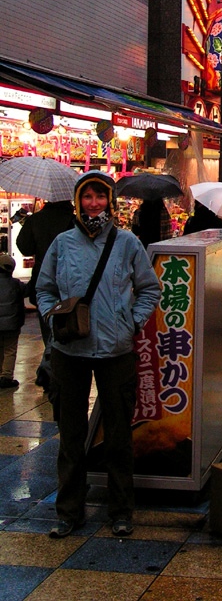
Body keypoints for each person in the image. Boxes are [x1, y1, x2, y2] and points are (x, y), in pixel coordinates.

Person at [37, 171, 160, 539]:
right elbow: (43, 289)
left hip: (115, 349)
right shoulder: (61, 243)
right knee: (71, 435)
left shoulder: (127, 243)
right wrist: (52, 315)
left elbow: (149, 289)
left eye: (100, 196)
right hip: (69, 350)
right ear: (78, 202)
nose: (94, 203)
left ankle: (121, 510)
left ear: (110, 201)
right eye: (87, 196)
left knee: (119, 434)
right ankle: (68, 511)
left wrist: (132, 323)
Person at [16, 198, 75, 391]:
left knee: (48, 328)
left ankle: (50, 366)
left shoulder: (37, 219)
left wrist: (31, 224)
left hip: (43, 279)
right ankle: (56, 367)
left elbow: (24, 247)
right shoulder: (73, 221)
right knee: (70, 328)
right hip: (70, 281)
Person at [0, 255, 27, 389]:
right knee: (10, 350)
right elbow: (27, 291)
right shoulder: (16, 284)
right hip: (12, 324)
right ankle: (6, 376)